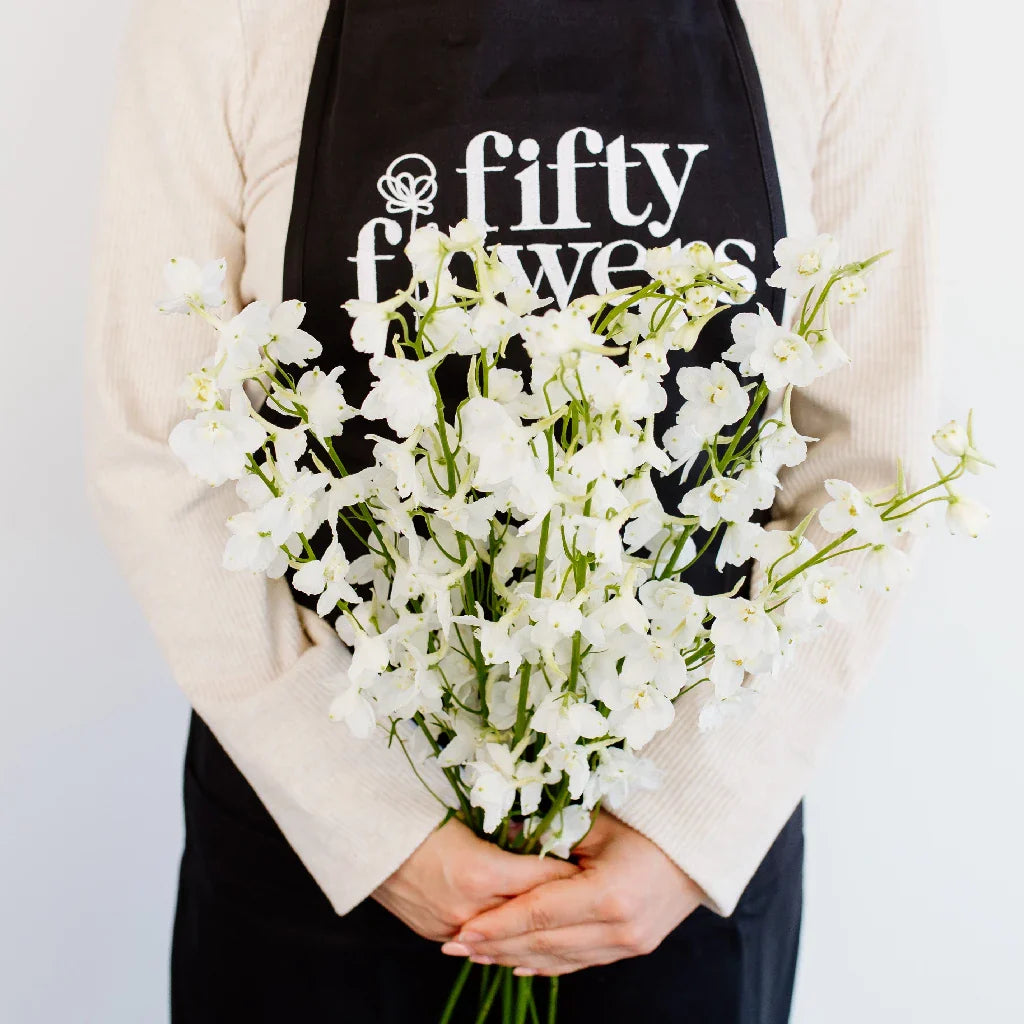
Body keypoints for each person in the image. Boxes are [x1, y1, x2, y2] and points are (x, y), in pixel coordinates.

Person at [82, 1, 938, 1021]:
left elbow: (870, 468)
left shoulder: (837, 19)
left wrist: (691, 821)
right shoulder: (221, 18)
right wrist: (371, 822)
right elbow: (159, 434)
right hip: (314, 851)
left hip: (665, 874)